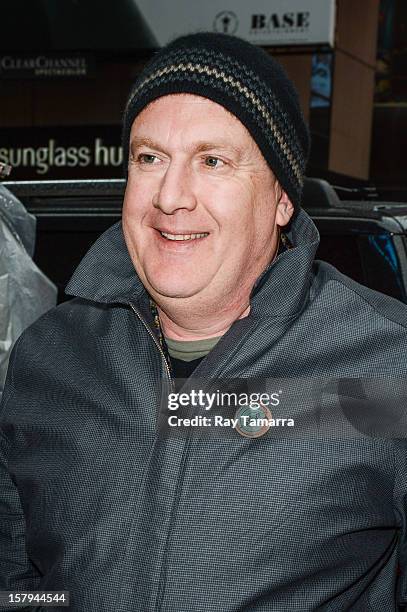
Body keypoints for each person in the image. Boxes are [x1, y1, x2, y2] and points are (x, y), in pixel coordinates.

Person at [1, 32, 407, 612]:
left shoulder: (386, 363)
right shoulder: (53, 357)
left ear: (281, 199)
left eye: (212, 161)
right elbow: (25, 578)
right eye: (150, 158)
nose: (170, 196)